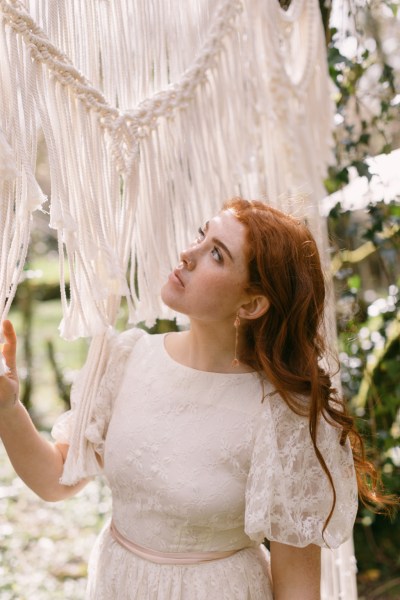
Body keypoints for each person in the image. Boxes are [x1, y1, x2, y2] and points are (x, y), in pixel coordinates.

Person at [0, 198, 394, 600]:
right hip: (117, 585)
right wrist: (7, 407)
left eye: (216, 255)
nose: (188, 255)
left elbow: (297, 589)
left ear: (252, 303)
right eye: (201, 236)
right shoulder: (125, 357)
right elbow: (56, 480)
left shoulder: (283, 412)